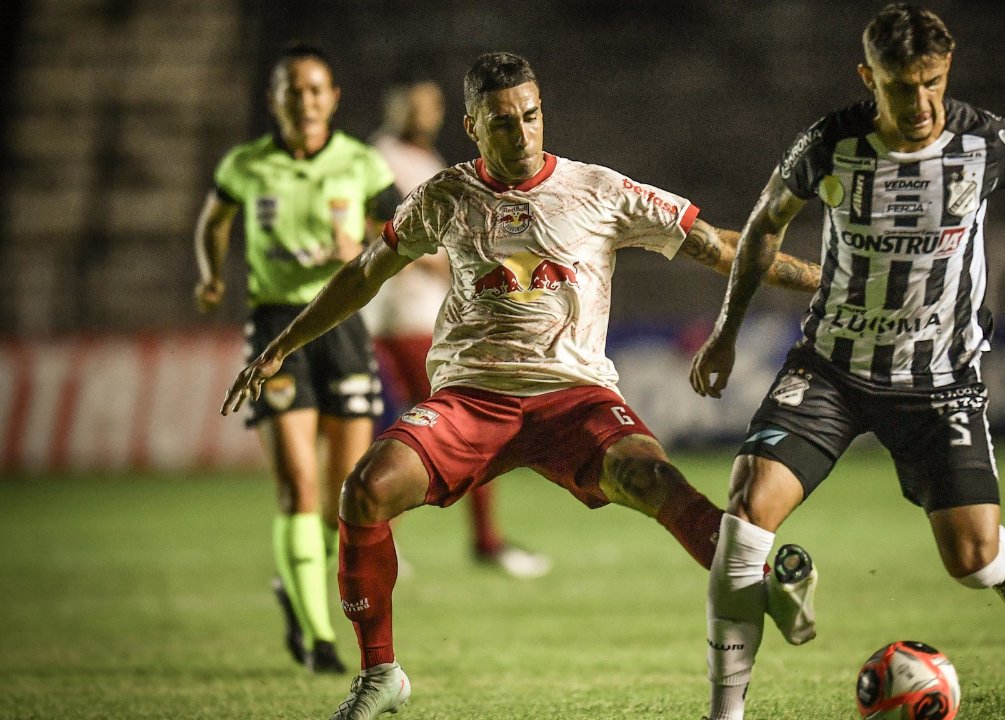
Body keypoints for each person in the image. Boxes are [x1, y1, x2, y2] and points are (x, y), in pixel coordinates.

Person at [221, 51, 824, 720]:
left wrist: (819, 280)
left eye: (531, 117)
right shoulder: (447, 195)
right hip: (470, 399)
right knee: (364, 492)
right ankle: (380, 674)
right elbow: (366, 272)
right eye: (503, 122)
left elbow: (718, 247)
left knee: (658, 482)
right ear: (473, 125)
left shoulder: (598, 190)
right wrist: (283, 343)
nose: (522, 133)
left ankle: (769, 580)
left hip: (575, 398)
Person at [689, 5, 1005, 719]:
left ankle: (1003, 566)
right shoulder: (829, 143)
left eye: (933, 83)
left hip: (940, 381)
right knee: (745, 520)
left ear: (948, 72)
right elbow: (763, 226)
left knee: (968, 561)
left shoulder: (981, 140)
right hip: (831, 371)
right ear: (867, 78)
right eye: (900, 87)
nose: (921, 103)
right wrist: (727, 331)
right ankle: (726, 714)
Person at [194, 43, 401, 675]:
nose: (305, 101)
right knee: (296, 487)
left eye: (316, 90)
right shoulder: (245, 164)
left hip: (341, 326)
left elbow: (407, 233)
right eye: (293, 90)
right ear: (276, 99)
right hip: (276, 326)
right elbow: (213, 221)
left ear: (333, 98)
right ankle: (317, 639)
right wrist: (210, 276)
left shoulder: (361, 163)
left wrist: (361, 241)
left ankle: (298, 586)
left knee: (346, 496)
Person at [364, 80, 551, 579]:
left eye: (431, 103)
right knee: (461, 425)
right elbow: (381, 228)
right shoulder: (381, 157)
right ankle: (471, 542)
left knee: (429, 427)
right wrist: (451, 265)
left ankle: (395, 538)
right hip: (405, 316)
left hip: (429, 316)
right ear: (395, 104)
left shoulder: (423, 159)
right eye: (414, 101)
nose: (424, 111)